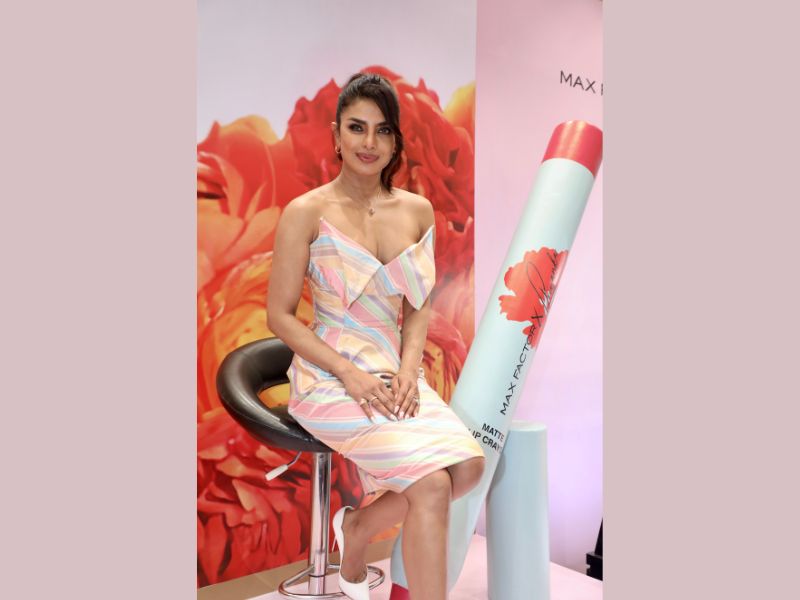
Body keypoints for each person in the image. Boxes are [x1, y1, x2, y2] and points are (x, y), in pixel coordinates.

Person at [267, 72, 485, 600]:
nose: (369, 142)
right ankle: (367, 536)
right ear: (337, 135)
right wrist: (348, 372)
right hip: (331, 378)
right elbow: (279, 316)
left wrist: (410, 369)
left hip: (393, 374)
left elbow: (418, 302)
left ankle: (359, 525)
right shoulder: (306, 212)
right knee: (431, 485)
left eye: (382, 130)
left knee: (469, 468)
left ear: (395, 140)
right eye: (357, 127)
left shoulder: (416, 210)